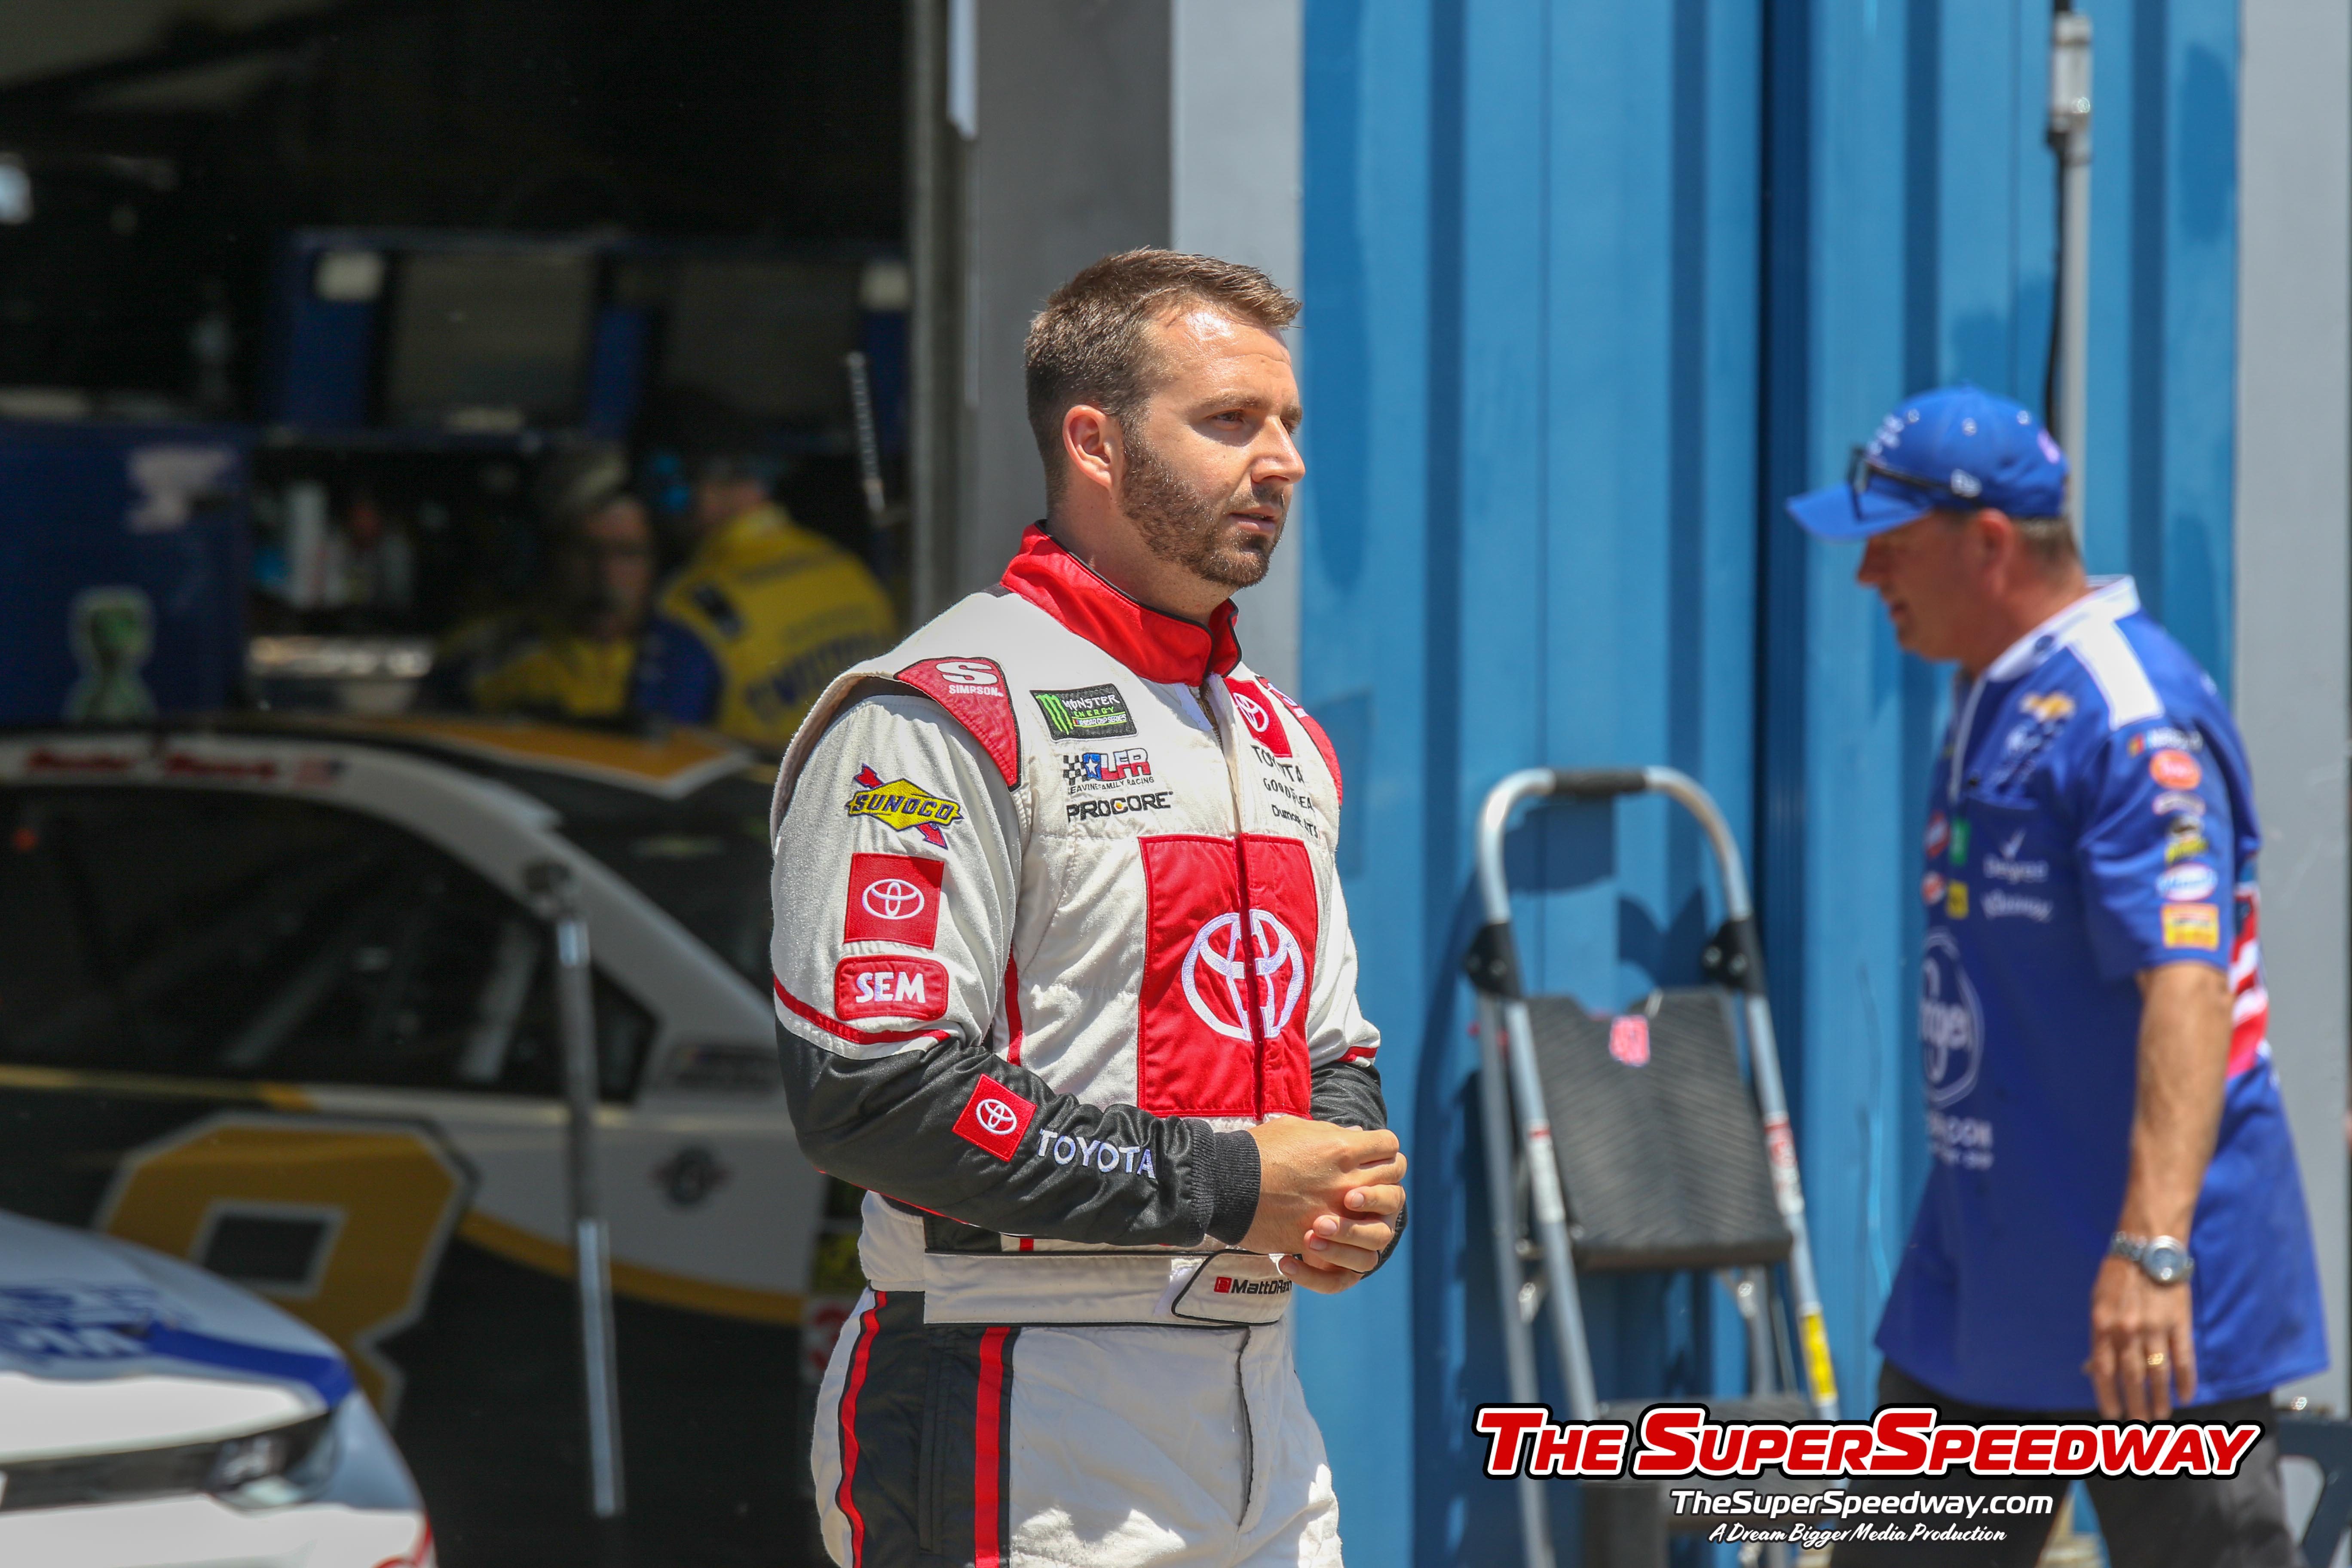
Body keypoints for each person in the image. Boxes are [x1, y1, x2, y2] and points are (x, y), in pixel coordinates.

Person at [767, 249, 1406, 1568]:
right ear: (1095, 443)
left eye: (1288, 424)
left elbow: (1330, 1045)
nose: (1282, 461)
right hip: (1011, 1390)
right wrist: (1237, 1181)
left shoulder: (1279, 737)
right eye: (1231, 420)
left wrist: (1346, 1186)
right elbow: (873, 1091)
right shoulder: (942, 710)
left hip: (1262, 1412)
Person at [1786, 384, 2326, 1566]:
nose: (1868, 574)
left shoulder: (2126, 715)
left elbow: (2189, 987)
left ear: (1988, 544)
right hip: (1987, 1271)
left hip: (2149, 1287)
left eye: (1891, 545)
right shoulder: (1992, 687)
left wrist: (2152, 1251)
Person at [630, 430, 897, 751]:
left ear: (701, 488)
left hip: (755, 784)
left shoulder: (689, 606)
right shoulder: (848, 569)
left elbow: (658, 751)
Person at [433, 445, 653, 723]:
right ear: (552, 555)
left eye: (628, 553)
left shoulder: (685, 662)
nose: (606, 574)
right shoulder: (483, 656)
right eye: (585, 551)